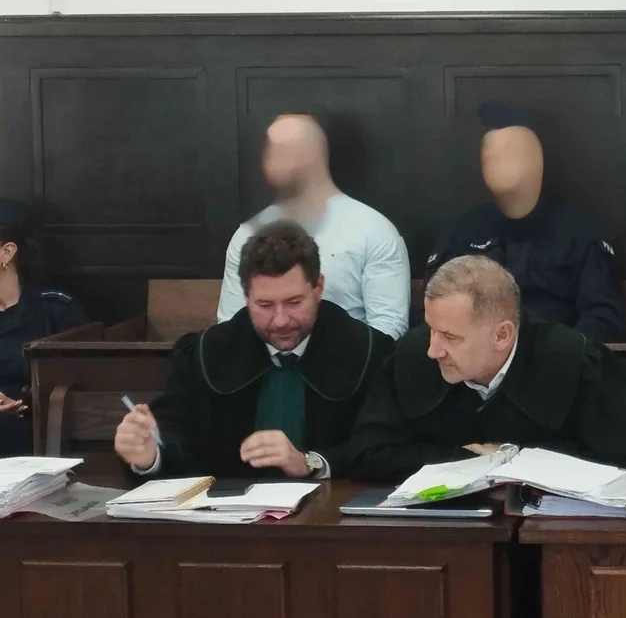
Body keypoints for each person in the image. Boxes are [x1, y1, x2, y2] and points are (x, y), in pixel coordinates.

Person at [115, 221, 394, 479]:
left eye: (294, 302)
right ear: (246, 295)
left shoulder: (368, 352)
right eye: (265, 305)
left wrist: (310, 462)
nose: (281, 320)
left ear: (318, 287)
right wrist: (149, 456)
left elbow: (383, 447)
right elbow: (175, 434)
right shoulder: (205, 354)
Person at [345, 255, 626, 484]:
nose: (433, 350)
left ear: (502, 335)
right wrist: (467, 461)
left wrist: (514, 459)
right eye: (431, 329)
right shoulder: (408, 358)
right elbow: (368, 454)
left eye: (450, 337)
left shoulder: (578, 362)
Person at [423, 101, 624, 342]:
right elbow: (432, 311)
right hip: (474, 358)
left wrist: (564, 355)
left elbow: (603, 318)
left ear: (536, 160)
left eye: (512, 155)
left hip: (557, 356)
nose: (500, 166)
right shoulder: (461, 231)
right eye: (491, 157)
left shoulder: (580, 231)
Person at [217, 113, 410, 340]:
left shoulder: (373, 230)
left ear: (313, 155)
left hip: (348, 357)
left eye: (284, 150)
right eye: (270, 151)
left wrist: (339, 357)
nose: (272, 161)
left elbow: (388, 326)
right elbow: (229, 324)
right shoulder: (247, 235)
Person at [0, 200, 89, 456]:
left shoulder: (56, 308)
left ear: (7, 253)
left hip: (31, 426)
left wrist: (23, 404)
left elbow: (80, 377)